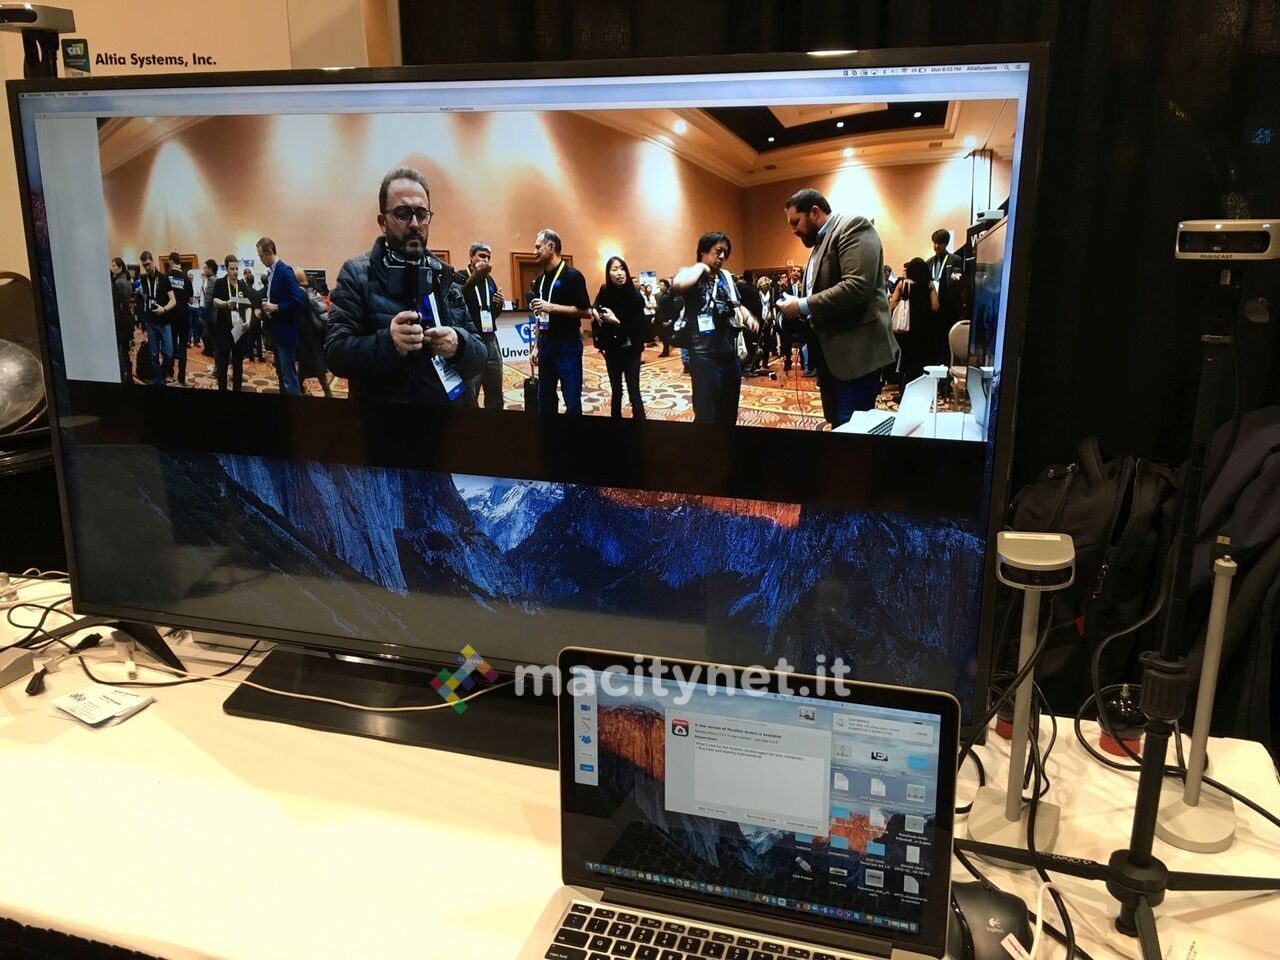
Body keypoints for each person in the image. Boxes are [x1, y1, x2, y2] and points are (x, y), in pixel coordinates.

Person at [325, 165, 484, 403]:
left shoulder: (444, 275)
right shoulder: (357, 274)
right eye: (402, 213)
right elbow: (335, 354)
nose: (414, 224)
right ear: (383, 222)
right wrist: (388, 344)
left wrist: (459, 344)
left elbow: (479, 355)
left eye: (421, 214)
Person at [776, 188, 897, 427]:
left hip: (856, 355)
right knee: (837, 422)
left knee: (853, 428)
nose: (793, 231)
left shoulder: (853, 227)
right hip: (832, 357)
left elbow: (857, 286)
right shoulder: (817, 245)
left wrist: (801, 305)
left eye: (795, 222)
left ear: (814, 212)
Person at [672, 231, 757, 425]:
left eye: (725, 253)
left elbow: (736, 305)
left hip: (728, 354)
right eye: (718, 251)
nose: (722, 257)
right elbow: (678, 285)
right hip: (704, 356)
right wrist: (702, 266)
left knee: (729, 410)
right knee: (707, 413)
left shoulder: (725, 277)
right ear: (703, 251)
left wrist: (748, 317)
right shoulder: (692, 273)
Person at [528, 227, 591, 415]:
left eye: (538, 247)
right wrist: (536, 346)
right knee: (545, 400)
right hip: (546, 345)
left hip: (567, 345)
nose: (534, 252)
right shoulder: (539, 280)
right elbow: (539, 314)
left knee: (572, 402)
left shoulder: (573, 276)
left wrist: (551, 307)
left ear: (551, 247)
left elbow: (586, 312)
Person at [592, 255, 646, 419]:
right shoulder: (605, 291)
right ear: (608, 273)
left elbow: (638, 329)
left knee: (634, 391)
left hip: (631, 349)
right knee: (616, 391)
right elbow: (595, 306)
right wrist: (595, 312)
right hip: (612, 349)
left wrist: (616, 322)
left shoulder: (635, 297)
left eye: (622, 269)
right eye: (614, 269)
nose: (619, 273)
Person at [459, 241, 505, 410]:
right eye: (482, 256)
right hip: (471, 339)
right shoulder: (461, 276)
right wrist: (475, 277)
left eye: (488, 257)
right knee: (471, 393)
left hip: (490, 338)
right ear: (471, 256)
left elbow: (492, 314)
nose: (486, 260)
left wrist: (499, 305)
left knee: (495, 391)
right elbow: (458, 298)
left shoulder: (490, 280)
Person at [256, 237, 304, 396]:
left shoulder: (284, 271)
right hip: (277, 331)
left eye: (261, 256)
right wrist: (265, 310)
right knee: (282, 375)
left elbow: (298, 300)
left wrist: (276, 307)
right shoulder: (272, 272)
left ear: (269, 252)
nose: (260, 260)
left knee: (289, 378)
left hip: (285, 333)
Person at [888, 257, 942, 395]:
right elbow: (935, 307)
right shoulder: (929, 285)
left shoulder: (902, 284)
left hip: (906, 330)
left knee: (906, 360)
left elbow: (892, 305)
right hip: (924, 329)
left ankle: (904, 391)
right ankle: (921, 391)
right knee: (922, 360)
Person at [135, 250, 176, 386]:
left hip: (164, 322)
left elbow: (173, 300)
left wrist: (163, 309)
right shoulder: (143, 279)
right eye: (144, 265)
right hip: (151, 322)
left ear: (153, 261)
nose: (147, 267)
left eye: (148, 264)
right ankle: (158, 381)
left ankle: (163, 373)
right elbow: (146, 299)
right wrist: (144, 319)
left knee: (169, 353)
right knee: (153, 355)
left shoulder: (164, 278)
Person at [210, 254, 251, 392]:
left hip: (239, 328)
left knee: (238, 364)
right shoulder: (220, 283)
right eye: (232, 269)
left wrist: (248, 321)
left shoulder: (242, 285)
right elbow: (215, 300)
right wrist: (225, 304)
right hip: (223, 329)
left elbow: (248, 306)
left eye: (237, 269)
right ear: (227, 269)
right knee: (222, 364)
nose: (235, 272)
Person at [293, 266, 332, 397]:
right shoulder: (310, 292)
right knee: (316, 369)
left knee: (306, 369)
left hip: (306, 336)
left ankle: (301, 392)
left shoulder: (300, 294)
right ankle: (327, 393)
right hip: (314, 336)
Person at [164, 252, 193, 385]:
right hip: (184, 317)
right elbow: (191, 300)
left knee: (170, 347)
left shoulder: (166, 277)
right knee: (183, 349)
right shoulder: (186, 278)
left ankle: (170, 374)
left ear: (170, 261)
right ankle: (181, 377)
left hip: (171, 316)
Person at [110, 257, 134, 383]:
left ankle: (124, 376)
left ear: (120, 267)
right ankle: (128, 376)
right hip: (127, 320)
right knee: (124, 351)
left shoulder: (118, 282)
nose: (112, 268)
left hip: (121, 320)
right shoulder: (126, 280)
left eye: (114, 265)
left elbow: (120, 304)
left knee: (121, 351)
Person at [199, 259, 218, 357]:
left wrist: (204, 314)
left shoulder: (211, 280)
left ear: (211, 269)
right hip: (214, 314)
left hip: (211, 314)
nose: (204, 270)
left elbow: (209, 300)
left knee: (207, 335)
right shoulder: (216, 279)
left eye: (205, 268)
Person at [654, 277, 676, 358]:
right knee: (662, 336)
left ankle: (666, 351)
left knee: (665, 336)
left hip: (665, 319)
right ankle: (665, 350)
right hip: (660, 318)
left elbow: (669, 309)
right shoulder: (661, 295)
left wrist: (669, 320)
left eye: (662, 285)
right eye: (659, 285)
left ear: (666, 286)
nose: (660, 287)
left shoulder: (668, 296)